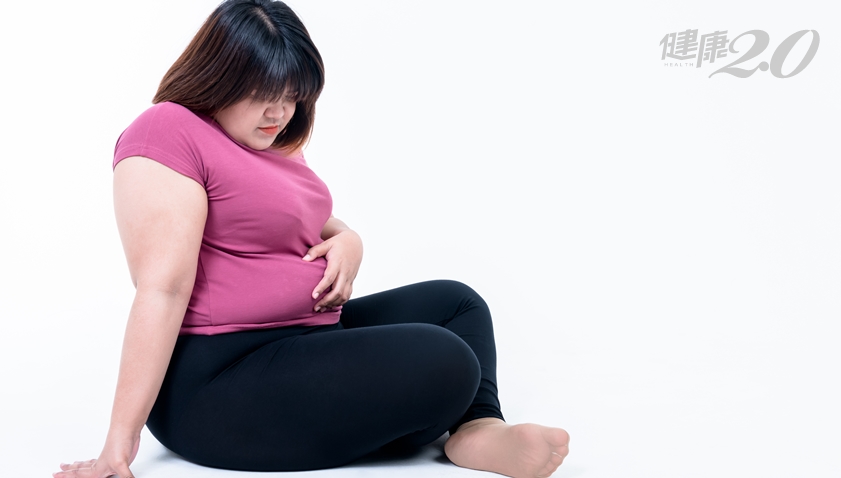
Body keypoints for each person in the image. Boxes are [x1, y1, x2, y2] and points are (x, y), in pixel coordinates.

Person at [53, 1, 569, 477]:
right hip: (216, 380)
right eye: (264, 95)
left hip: (304, 337)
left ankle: (478, 428)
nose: (279, 114)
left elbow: (301, 219)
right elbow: (162, 288)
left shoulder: (270, 143)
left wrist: (349, 240)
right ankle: (436, 414)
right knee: (445, 359)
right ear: (219, 76)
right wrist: (117, 446)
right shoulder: (168, 130)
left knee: (456, 305)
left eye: (291, 96)